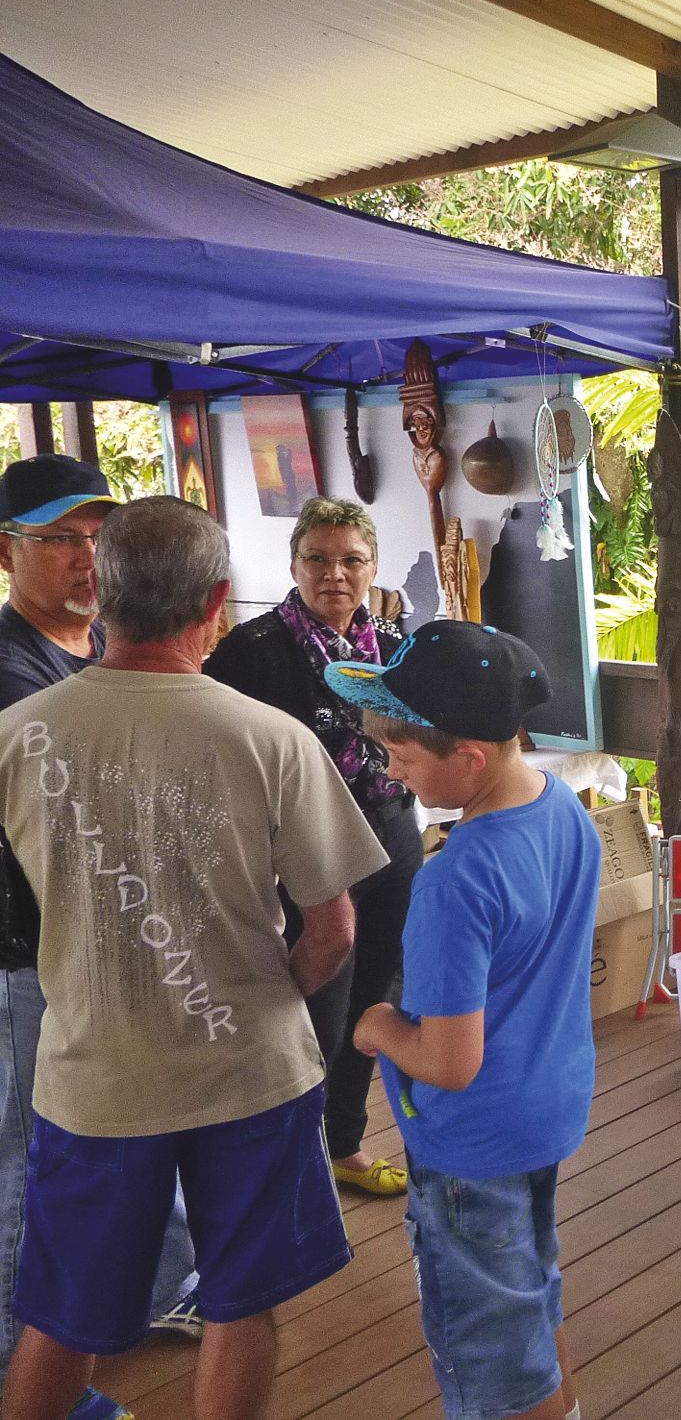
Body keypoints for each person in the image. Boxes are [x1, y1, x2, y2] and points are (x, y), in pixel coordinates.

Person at [0, 497, 387, 1420]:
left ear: (105, 594)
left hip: (94, 1077)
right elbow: (333, 928)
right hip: (249, 1074)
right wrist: (268, 1000)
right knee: (239, 1306)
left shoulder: (17, 735)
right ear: (217, 601)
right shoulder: (270, 739)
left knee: (62, 1315)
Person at [330, 621, 598, 1420]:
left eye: (404, 758)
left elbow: (449, 1062)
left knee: (490, 1357)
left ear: (469, 759)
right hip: (544, 1109)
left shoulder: (455, 880)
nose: (391, 769)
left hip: (471, 1141)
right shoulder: (561, 810)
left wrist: (376, 1025)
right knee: (529, 1298)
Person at [0, 458, 201, 1420]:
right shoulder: (12, 676)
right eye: (58, 540)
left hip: (91, 951)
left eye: (97, 541)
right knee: (21, 1157)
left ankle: (143, 1296)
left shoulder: (92, 658)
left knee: (113, 1127)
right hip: (20, 959)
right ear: (7, 553)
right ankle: (14, 1371)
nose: (85, 560)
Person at [204, 497, 421, 1196]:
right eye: (318, 560)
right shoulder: (251, 651)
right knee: (314, 998)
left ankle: (344, 1140)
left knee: (376, 993)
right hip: (304, 848)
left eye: (352, 560)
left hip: (390, 829)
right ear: (293, 565)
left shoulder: (394, 642)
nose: (335, 574)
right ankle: (292, 1156)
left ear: (373, 567)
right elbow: (225, 761)